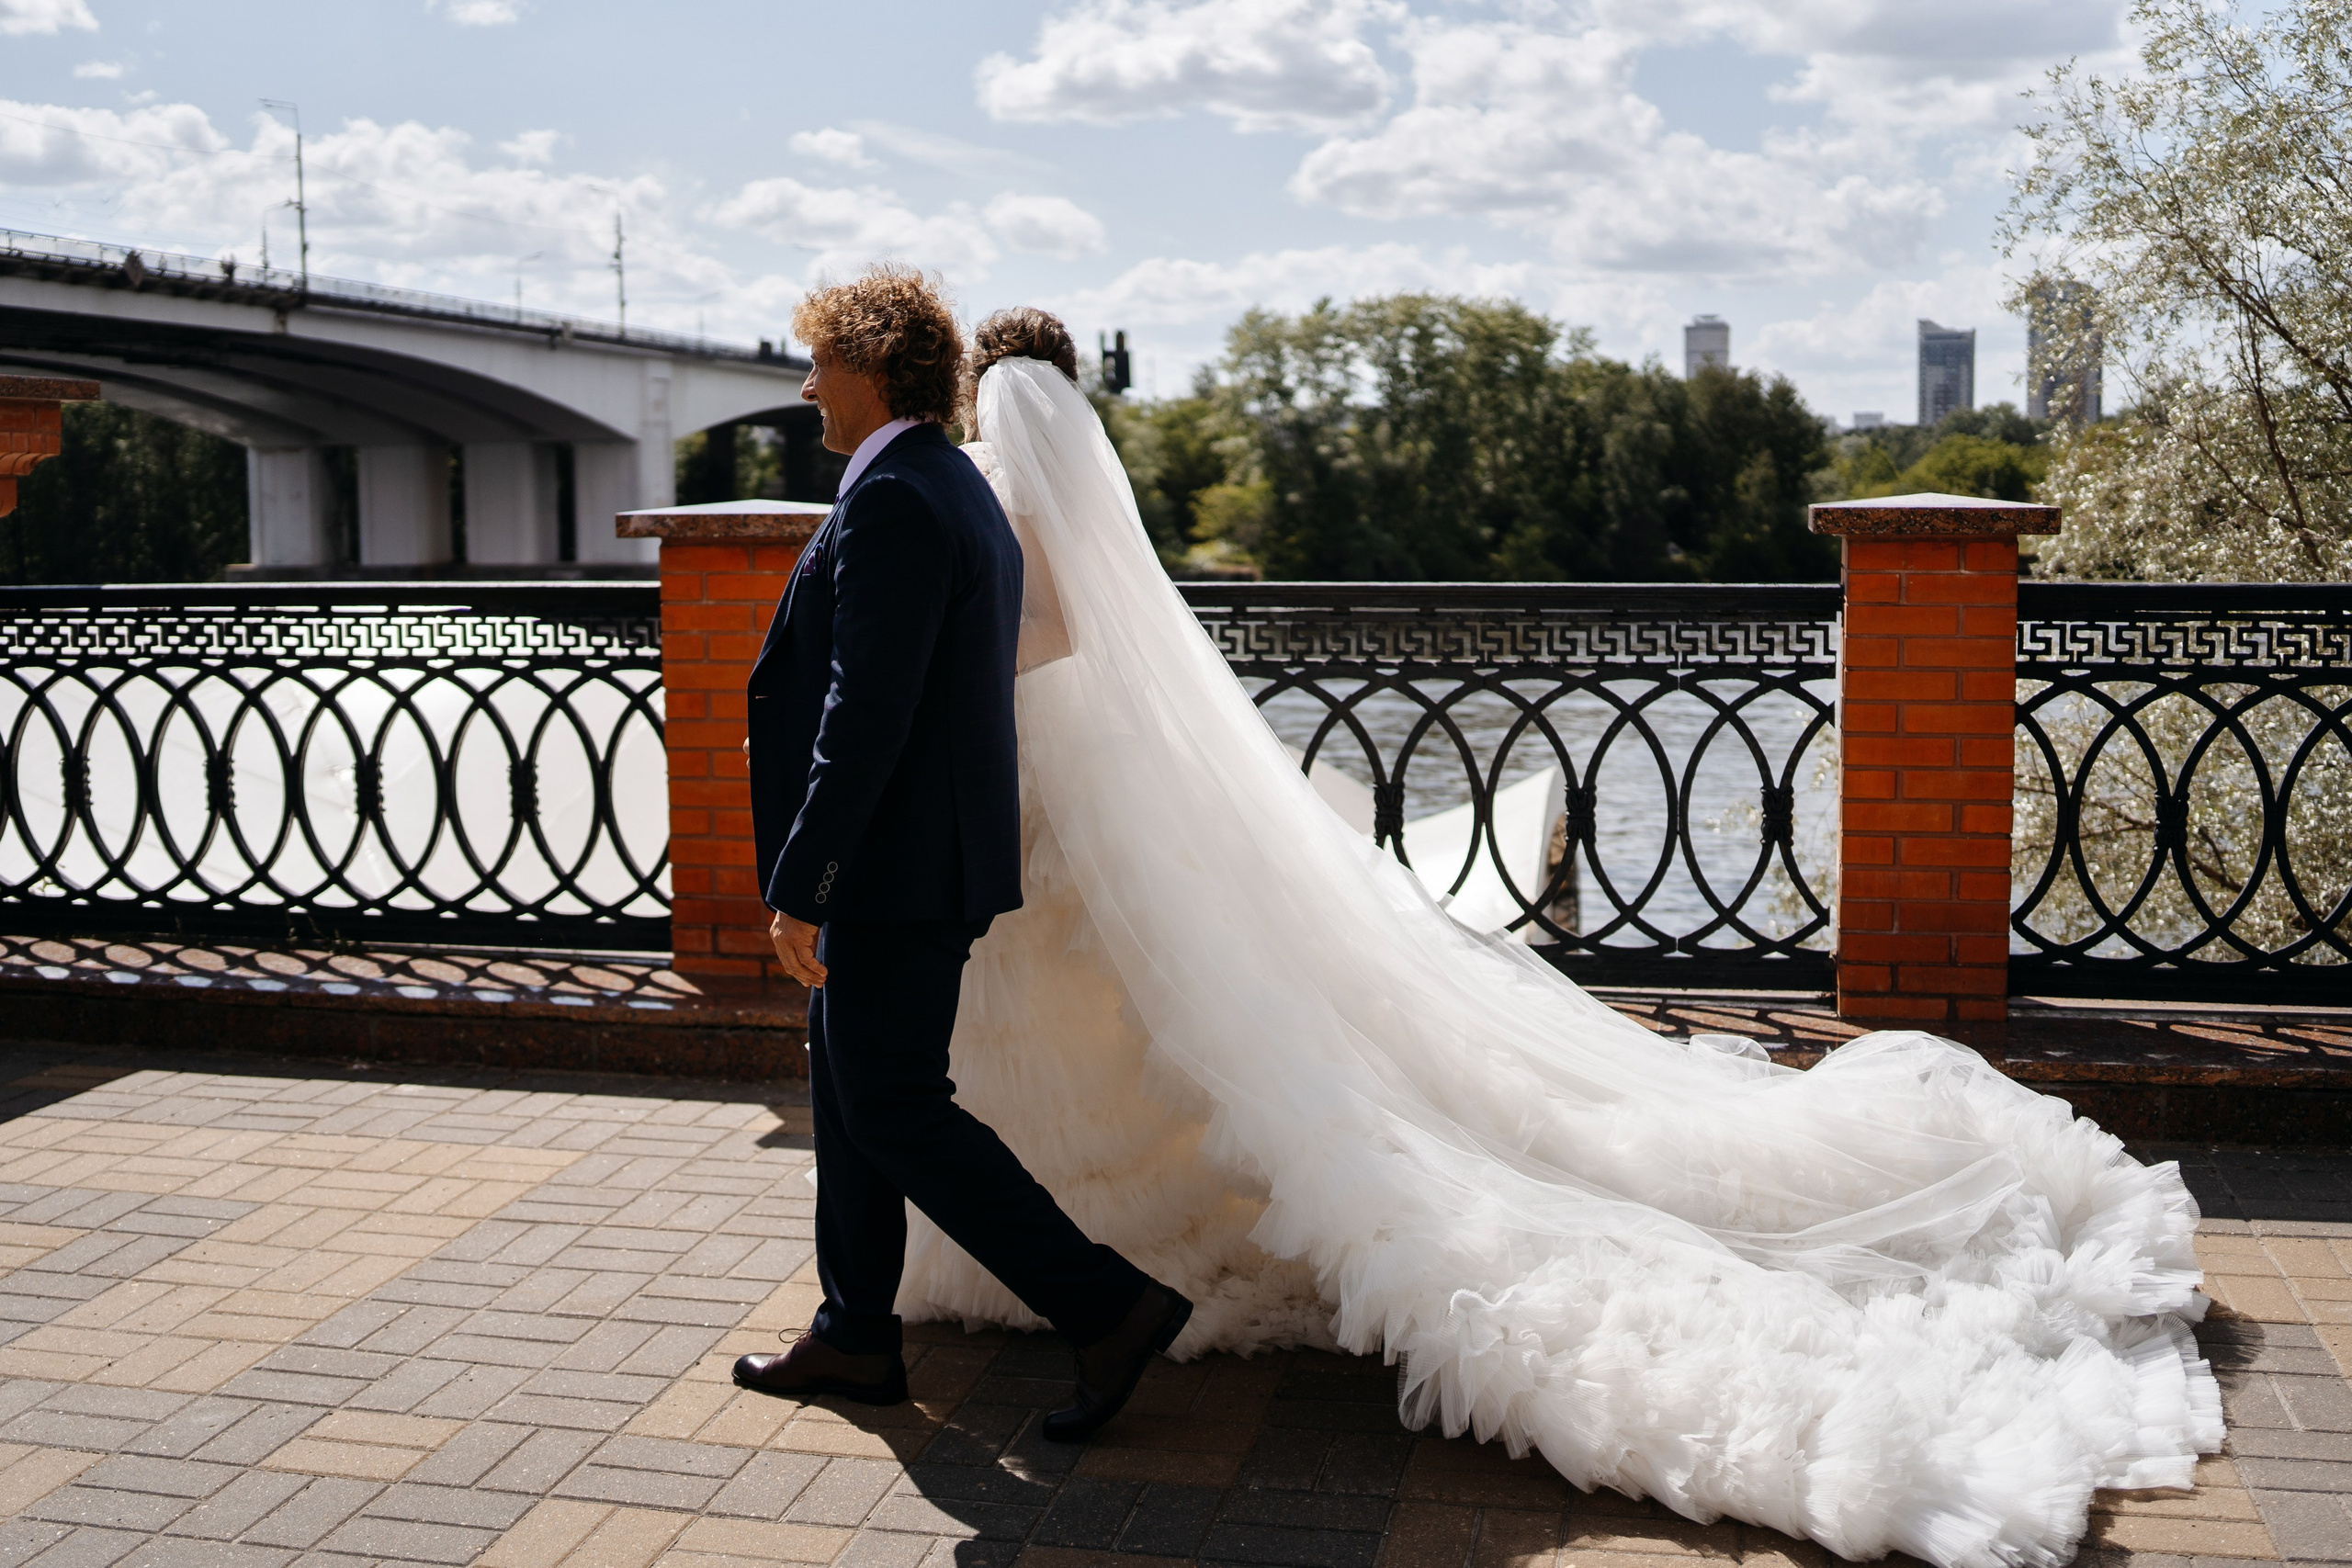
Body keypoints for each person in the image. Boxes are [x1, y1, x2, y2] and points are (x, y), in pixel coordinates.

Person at [883, 305, 2221, 1568]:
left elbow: (1048, 631)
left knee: (1090, 1021)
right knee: (1102, 1023)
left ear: (993, 388)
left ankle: (1097, 1252)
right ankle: (1082, 1246)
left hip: (1046, 793)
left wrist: (951, 655)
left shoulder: (991, 481)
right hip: (1054, 796)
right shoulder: (1041, 480)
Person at [734, 266, 1190, 1443]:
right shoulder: (937, 481)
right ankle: (855, 1335)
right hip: (918, 860)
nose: (804, 386)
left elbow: (865, 711)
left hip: (893, 872)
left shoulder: (897, 495)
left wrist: (802, 883)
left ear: (871, 365)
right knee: (850, 1097)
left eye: (817, 363)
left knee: (894, 1104)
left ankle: (1108, 1305)